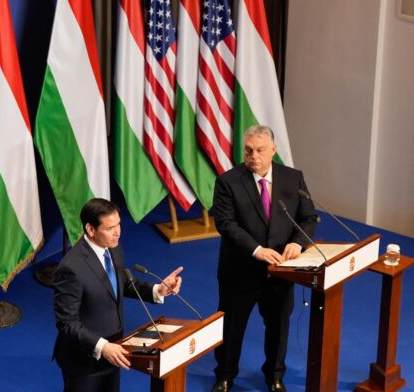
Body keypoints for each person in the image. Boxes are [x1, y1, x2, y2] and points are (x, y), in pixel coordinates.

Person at [211, 125, 318, 392]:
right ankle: (225, 375)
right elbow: (226, 224)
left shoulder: (293, 179)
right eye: (248, 151)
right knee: (231, 326)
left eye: (260, 150)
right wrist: (256, 250)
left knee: (278, 327)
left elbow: (308, 217)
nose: (253, 157)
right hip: (241, 270)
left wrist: (297, 242)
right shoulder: (228, 182)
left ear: (273, 150)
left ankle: (275, 376)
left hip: (280, 271)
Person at [53, 198, 183, 392]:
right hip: (85, 360)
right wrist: (103, 347)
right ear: (90, 229)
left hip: (115, 350)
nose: (118, 232)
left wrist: (158, 290)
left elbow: (121, 282)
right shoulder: (71, 268)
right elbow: (67, 323)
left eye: (119, 224)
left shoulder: (113, 247)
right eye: (110, 228)